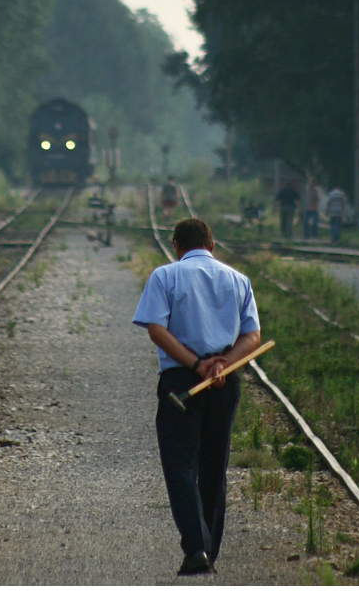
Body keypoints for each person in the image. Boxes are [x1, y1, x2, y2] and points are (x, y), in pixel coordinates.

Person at [133, 217, 261, 576]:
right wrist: (221, 366)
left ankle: (196, 548)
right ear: (212, 246)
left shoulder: (165, 276)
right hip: (224, 384)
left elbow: (156, 329)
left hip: (181, 382)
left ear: (176, 246)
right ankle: (209, 551)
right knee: (213, 465)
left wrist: (195, 364)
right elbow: (252, 336)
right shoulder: (239, 281)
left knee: (179, 465)